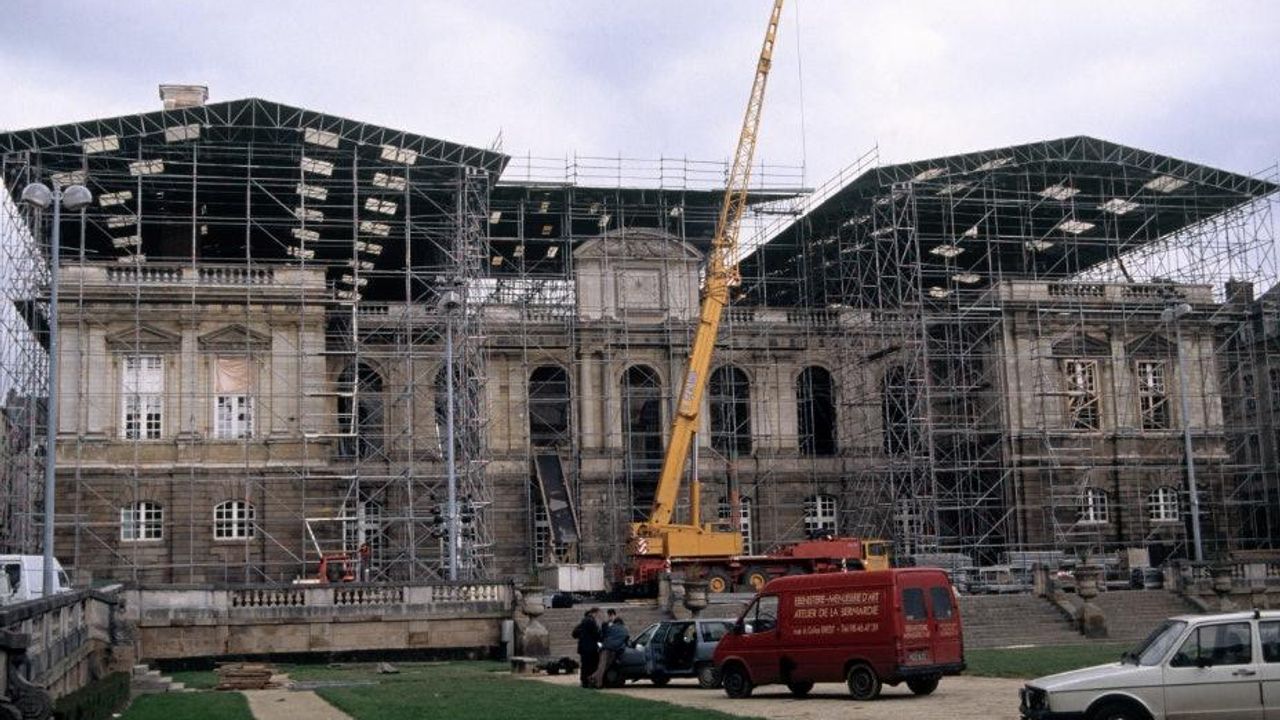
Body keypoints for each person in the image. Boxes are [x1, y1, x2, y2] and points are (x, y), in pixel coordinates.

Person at [591, 614, 628, 688]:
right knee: (606, 666)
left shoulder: (611, 627)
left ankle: (596, 682)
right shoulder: (625, 629)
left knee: (602, 666)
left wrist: (607, 621)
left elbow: (603, 634)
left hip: (606, 648)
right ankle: (594, 679)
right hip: (615, 650)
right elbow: (626, 640)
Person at [571, 607, 602, 688]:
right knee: (591, 665)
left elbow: (574, 633)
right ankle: (589, 681)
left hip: (583, 647)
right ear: (594, 613)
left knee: (585, 665)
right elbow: (596, 635)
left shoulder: (583, 621)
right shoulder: (591, 621)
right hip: (590, 648)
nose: (598, 616)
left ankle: (584, 681)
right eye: (597, 614)